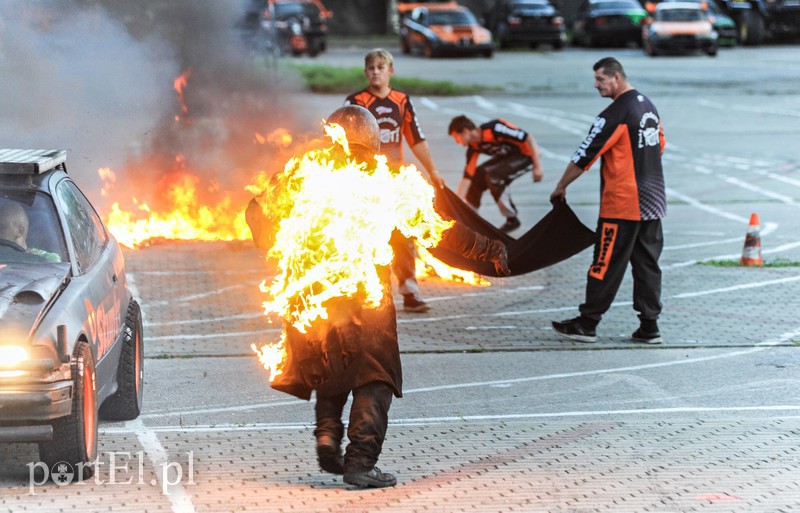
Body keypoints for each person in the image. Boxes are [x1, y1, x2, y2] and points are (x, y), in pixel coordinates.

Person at [249, 105, 509, 489]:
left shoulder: (302, 173)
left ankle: (326, 435)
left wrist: (279, 246)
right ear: (373, 141)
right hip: (365, 299)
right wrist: (489, 248)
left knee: (330, 363)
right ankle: (360, 462)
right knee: (375, 376)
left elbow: (256, 212)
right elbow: (437, 230)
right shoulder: (385, 179)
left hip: (314, 295)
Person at [550, 57, 666, 345]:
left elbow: (585, 155)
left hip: (622, 205)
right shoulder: (647, 105)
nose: (596, 84)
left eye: (601, 79)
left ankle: (587, 324)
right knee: (647, 264)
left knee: (604, 263)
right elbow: (660, 143)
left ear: (616, 78)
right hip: (652, 203)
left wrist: (560, 187)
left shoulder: (615, 113)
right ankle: (649, 327)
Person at [344, 48, 444, 314]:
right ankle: (365, 293)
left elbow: (416, 139)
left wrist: (433, 170)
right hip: (364, 183)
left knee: (402, 237)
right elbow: (339, 141)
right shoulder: (355, 102)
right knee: (363, 237)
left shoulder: (401, 101)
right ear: (365, 72)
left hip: (395, 183)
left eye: (380, 67)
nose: (375, 72)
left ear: (391, 71)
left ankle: (410, 292)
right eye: (371, 68)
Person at [448, 115, 544, 233]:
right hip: (507, 158)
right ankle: (469, 218)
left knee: (494, 177)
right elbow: (467, 177)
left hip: (527, 155)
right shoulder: (474, 147)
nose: (457, 142)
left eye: (456, 138)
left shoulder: (496, 129)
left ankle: (512, 219)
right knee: (477, 175)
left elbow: (528, 137)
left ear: (465, 132)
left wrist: (538, 166)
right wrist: (456, 205)